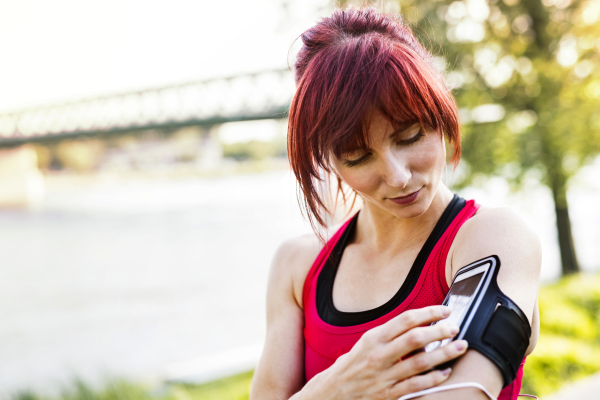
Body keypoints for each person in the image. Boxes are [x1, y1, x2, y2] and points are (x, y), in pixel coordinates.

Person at [250, 6, 541, 400]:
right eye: (358, 157)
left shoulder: (491, 238)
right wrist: (336, 388)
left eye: (410, 137)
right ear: (329, 160)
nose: (398, 176)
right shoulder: (297, 266)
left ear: (440, 113)